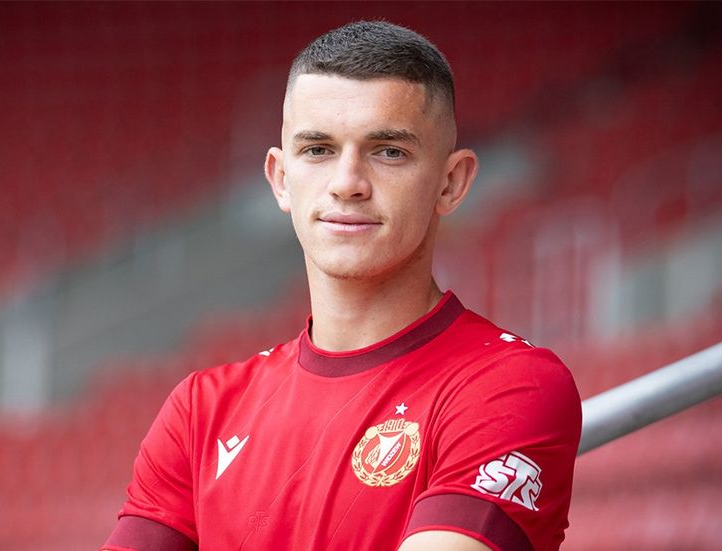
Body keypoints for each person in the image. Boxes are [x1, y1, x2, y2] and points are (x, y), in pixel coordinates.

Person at [104, 20, 581, 551]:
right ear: (280, 179)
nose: (347, 183)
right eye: (318, 150)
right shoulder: (200, 412)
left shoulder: (511, 386)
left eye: (388, 151)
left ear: (451, 183)